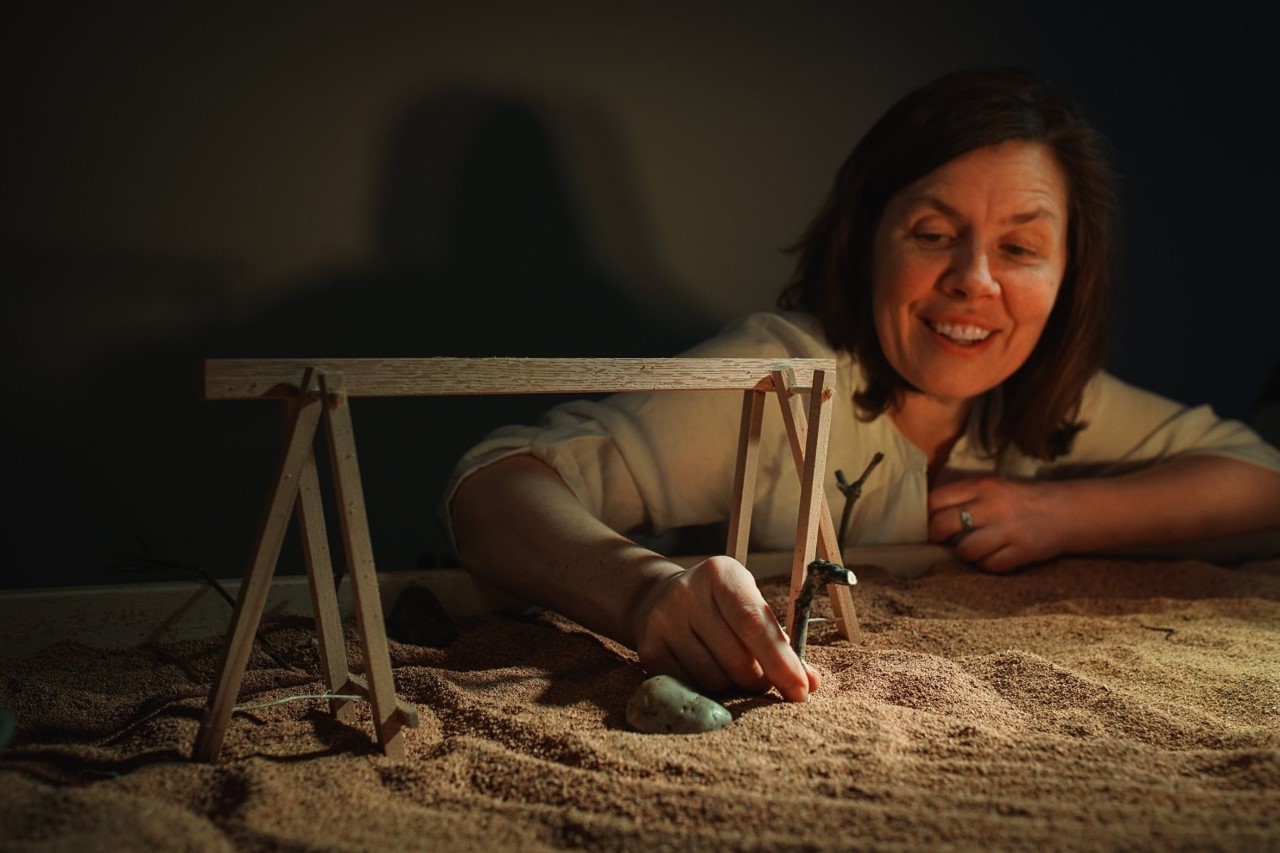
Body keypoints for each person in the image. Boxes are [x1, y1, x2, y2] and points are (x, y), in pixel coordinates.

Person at [446, 68, 1280, 704]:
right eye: (934, 232)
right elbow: (493, 486)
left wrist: (1056, 513)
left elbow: (1263, 487)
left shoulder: (1049, 399)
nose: (973, 279)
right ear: (865, 239)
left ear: (1069, 275)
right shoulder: (775, 380)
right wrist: (643, 592)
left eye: (1020, 249)